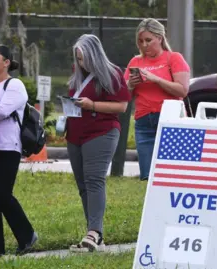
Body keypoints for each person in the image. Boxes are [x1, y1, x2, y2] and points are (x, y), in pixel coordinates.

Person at [66, 34, 131, 252]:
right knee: (83, 185)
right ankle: (94, 235)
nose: (80, 63)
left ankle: (94, 232)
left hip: (101, 132)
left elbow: (121, 106)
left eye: (83, 58)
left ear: (93, 54)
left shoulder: (112, 73)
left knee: (94, 180)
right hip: (75, 133)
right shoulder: (77, 74)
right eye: (78, 59)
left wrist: (93, 105)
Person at [0, 45, 38, 260]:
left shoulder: (15, 85)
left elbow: (2, 111)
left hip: (7, 148)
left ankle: (27, 235)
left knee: (2, 195)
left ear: (6, 62)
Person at [124, 18, 190, 181]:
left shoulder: (173, 58)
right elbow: (124, 96)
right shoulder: (135, 61)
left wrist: (157, 80)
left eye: (148, 40)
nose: (144, 45)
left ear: (160, 38)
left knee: (171, 173)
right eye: (140, 41)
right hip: (144, 121)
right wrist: (130, 85)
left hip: (169, 118)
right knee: (147, 175)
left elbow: (182, 90)